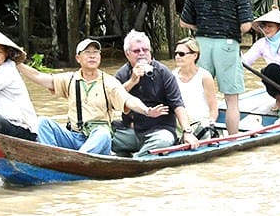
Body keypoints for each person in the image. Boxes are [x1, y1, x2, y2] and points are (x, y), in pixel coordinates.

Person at [16, 38, 168, 155]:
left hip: (97, 139)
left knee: (103, 133)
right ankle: (50, 157)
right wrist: (17, 63)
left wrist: (147, 111)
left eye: (95, 53)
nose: (92, 56)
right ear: (78, 58)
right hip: (74, 136)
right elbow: (38, 76)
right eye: (87, 53)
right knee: (43, 122)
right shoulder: (69, 79)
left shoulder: (108, 82)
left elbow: (129, 100)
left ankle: (78, 161)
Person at [180, 0, 254, 135]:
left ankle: (193, 133)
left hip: (200, 45)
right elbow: (246, 26)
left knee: (200, 93)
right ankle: (232, 140)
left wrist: (203, 27)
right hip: (228, 46)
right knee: (231, 100)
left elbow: (184, 22)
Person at [112, 30, 200, 156]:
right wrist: (132, 81)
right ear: (127, 54)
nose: (142, 54)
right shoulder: (122, 74)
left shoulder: (163, 73)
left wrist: (187, 132)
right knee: (104, 136)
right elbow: (112, 102)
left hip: (159, 131)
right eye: (137, 51)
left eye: (145, 50)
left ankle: (136, 160)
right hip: (131, 131)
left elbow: (178, 105)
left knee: (164, 141)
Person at [172, 37, 219, 139]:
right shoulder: (172, 76)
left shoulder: (205, 76)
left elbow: (213, 109)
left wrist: (210, 125)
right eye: (175, 54)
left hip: (200, 123)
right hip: (181, 123)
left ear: (194, 55)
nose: (177, 57)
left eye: (181, 54)